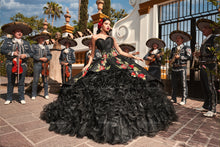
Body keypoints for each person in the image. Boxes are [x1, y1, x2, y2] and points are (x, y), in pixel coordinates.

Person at [40, 17, 177, 145]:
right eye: (106, 24)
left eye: (109, 24)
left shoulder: (112, 38)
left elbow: (120, 52)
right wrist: (87, 66)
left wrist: (133, 57)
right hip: (102, 63)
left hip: (115, 61)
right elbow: (93, 54)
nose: (109, 26)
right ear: (101, 25)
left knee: (128, 83)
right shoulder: (94, 37)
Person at [0, 22, 32, 105]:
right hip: (10, 64)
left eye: (21, 31)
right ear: (13, 33)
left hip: (23, 64)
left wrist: (25, 55)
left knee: (21, 82)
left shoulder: (26, 43)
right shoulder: (7, 41)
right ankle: (9, 98)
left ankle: (21, 98)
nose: (19, 33)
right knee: (11, 81)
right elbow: (2, 50)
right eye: (17, 31)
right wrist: (12, 53)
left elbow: (31, 53)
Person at [194, 19, 219, 117]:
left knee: (210, 86)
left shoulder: (215, 38)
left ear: (210, 29)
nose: (203, 30)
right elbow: (204, 53)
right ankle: (206, 105)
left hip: (210, 65)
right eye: (203, 28)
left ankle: (213, 109)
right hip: (203, 65)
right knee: (204, 86)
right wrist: (198, 54)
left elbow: (216, 52)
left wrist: (202, 53)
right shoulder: (205, 40)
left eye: (205, 28)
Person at [169, 30, 192, 105]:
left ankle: (184, 99)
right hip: (174, 68)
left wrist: (180, 57)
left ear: (182, 40)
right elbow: (170, 57)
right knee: (173, 84)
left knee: (183, 84)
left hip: (182, 68)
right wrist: (170, 60)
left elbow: (189, 57)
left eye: (179, 38)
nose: (177, 39)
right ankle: (173, 98)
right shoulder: (173, 49)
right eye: (176, 38)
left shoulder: (186, 47)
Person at [31, 32, 52, 100]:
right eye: (41, 38)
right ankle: (33, 94)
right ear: (38, 39)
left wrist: (47, 58)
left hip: (45, 65)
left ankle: (46, 94)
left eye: (43, 38)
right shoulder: (34, 46)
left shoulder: (46, 47)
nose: (43, 39)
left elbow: (50, 55)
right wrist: (39, 58)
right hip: (37, 64)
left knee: (45, 80)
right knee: (36, 80)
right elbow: (32, 55)